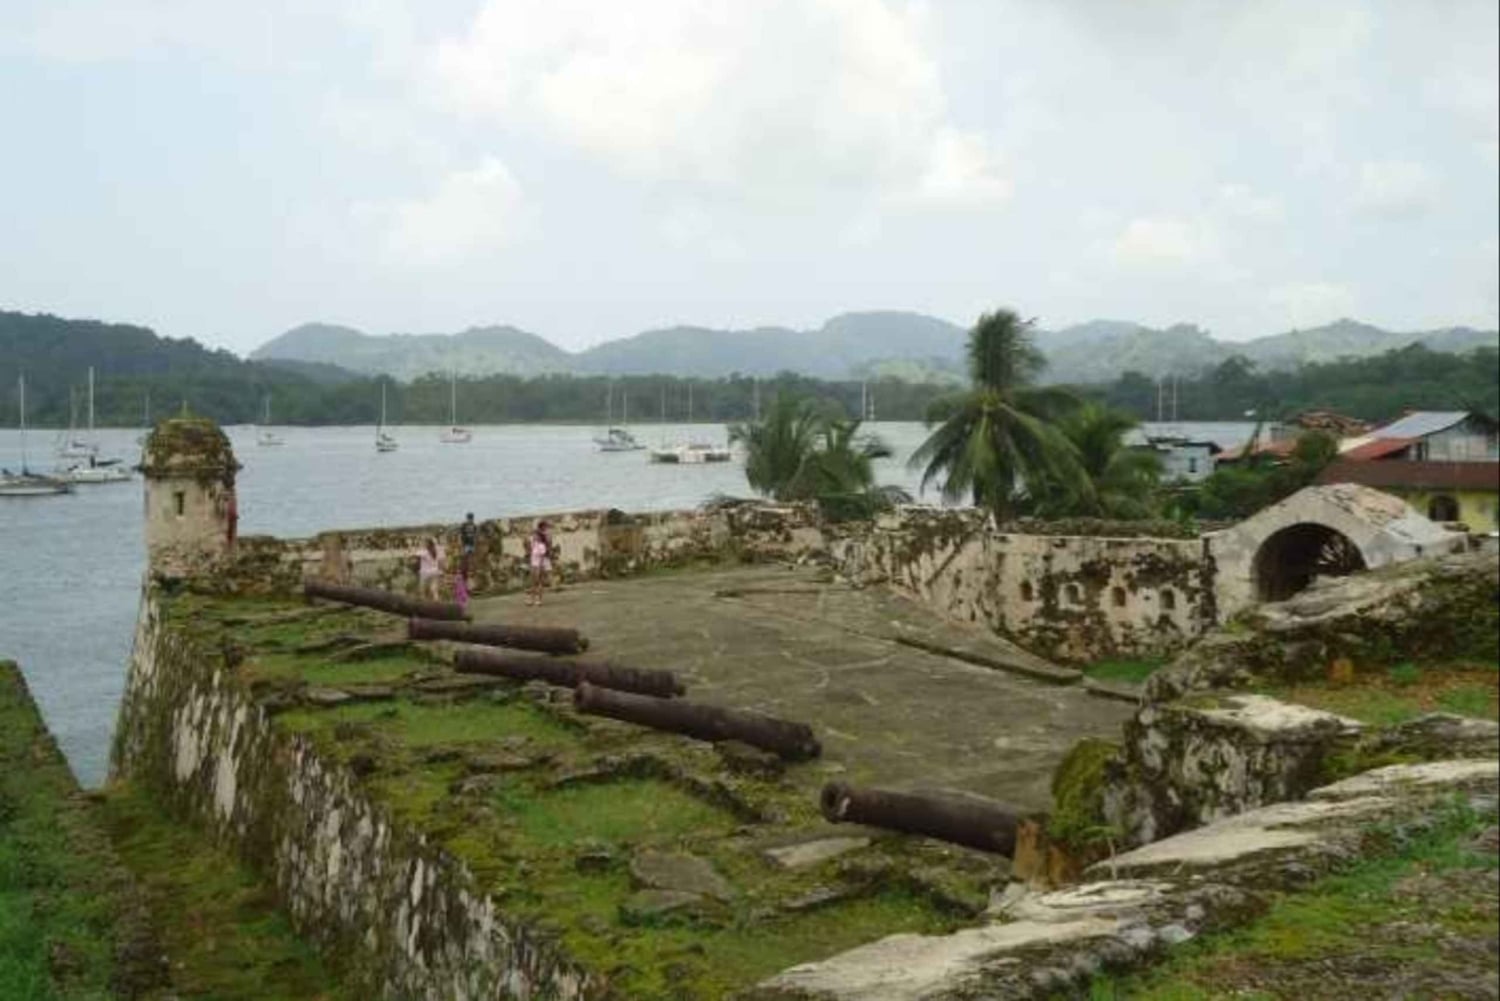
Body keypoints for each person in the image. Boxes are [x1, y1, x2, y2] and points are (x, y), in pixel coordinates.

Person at [526, 520, 553, 607]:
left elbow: (542, 556)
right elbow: (529, 548)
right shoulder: (534, 542)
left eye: (535, 535)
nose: (534, 536)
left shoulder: (542, 544)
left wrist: (540, 567)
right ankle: (531, 599)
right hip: (534, 561)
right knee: (533, 581)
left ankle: (538, 599)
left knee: (539, 581)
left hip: (541, 562)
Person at [417, 537, 445, 601]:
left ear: (427, 544)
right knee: (434, 589)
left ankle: (423, 603)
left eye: (423, 543)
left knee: (422, 590)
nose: (422, 544)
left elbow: (413, 555)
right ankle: (437, 602)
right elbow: (441, 562)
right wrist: (441, 571)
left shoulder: (424, 551)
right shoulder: (436, 550)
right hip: (435, 571)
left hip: (425, 573)